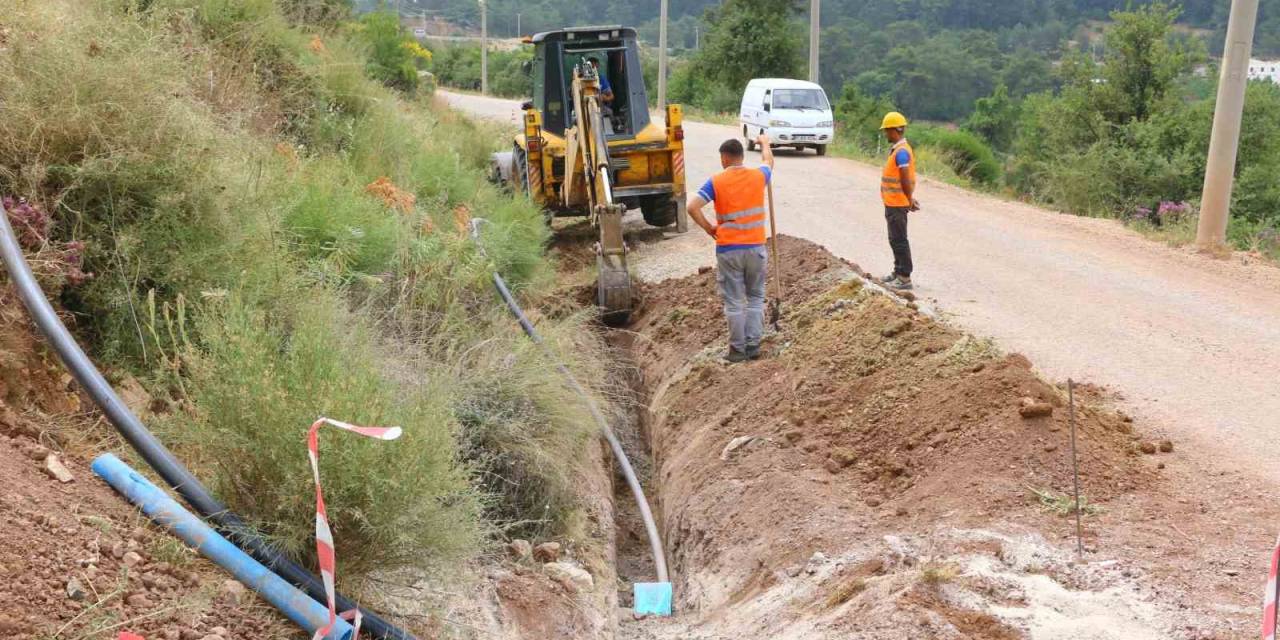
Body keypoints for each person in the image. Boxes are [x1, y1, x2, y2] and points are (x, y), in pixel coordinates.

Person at [687, 135, 775, 363]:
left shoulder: (716, 181)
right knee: (756, 297)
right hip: (756, 246)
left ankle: (737, 351)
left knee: (734, 301)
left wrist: (709, 228)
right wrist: (765, 143)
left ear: (725, 158)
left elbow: (692, 206)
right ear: (741, 157)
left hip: (729, 250)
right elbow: (769, 163)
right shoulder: (758, 175)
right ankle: (753, 345)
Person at [878, 111, 920, 291]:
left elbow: (904, 178)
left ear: (895, 130)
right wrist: (910, 197)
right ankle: (898, 271)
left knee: (899, 239)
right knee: (894, 239)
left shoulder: (902, 152)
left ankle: (904, 277)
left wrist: (909, 199)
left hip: (897, 203)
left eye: (887, 130)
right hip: (893, 202)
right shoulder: (899, 150)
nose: (886, 134)